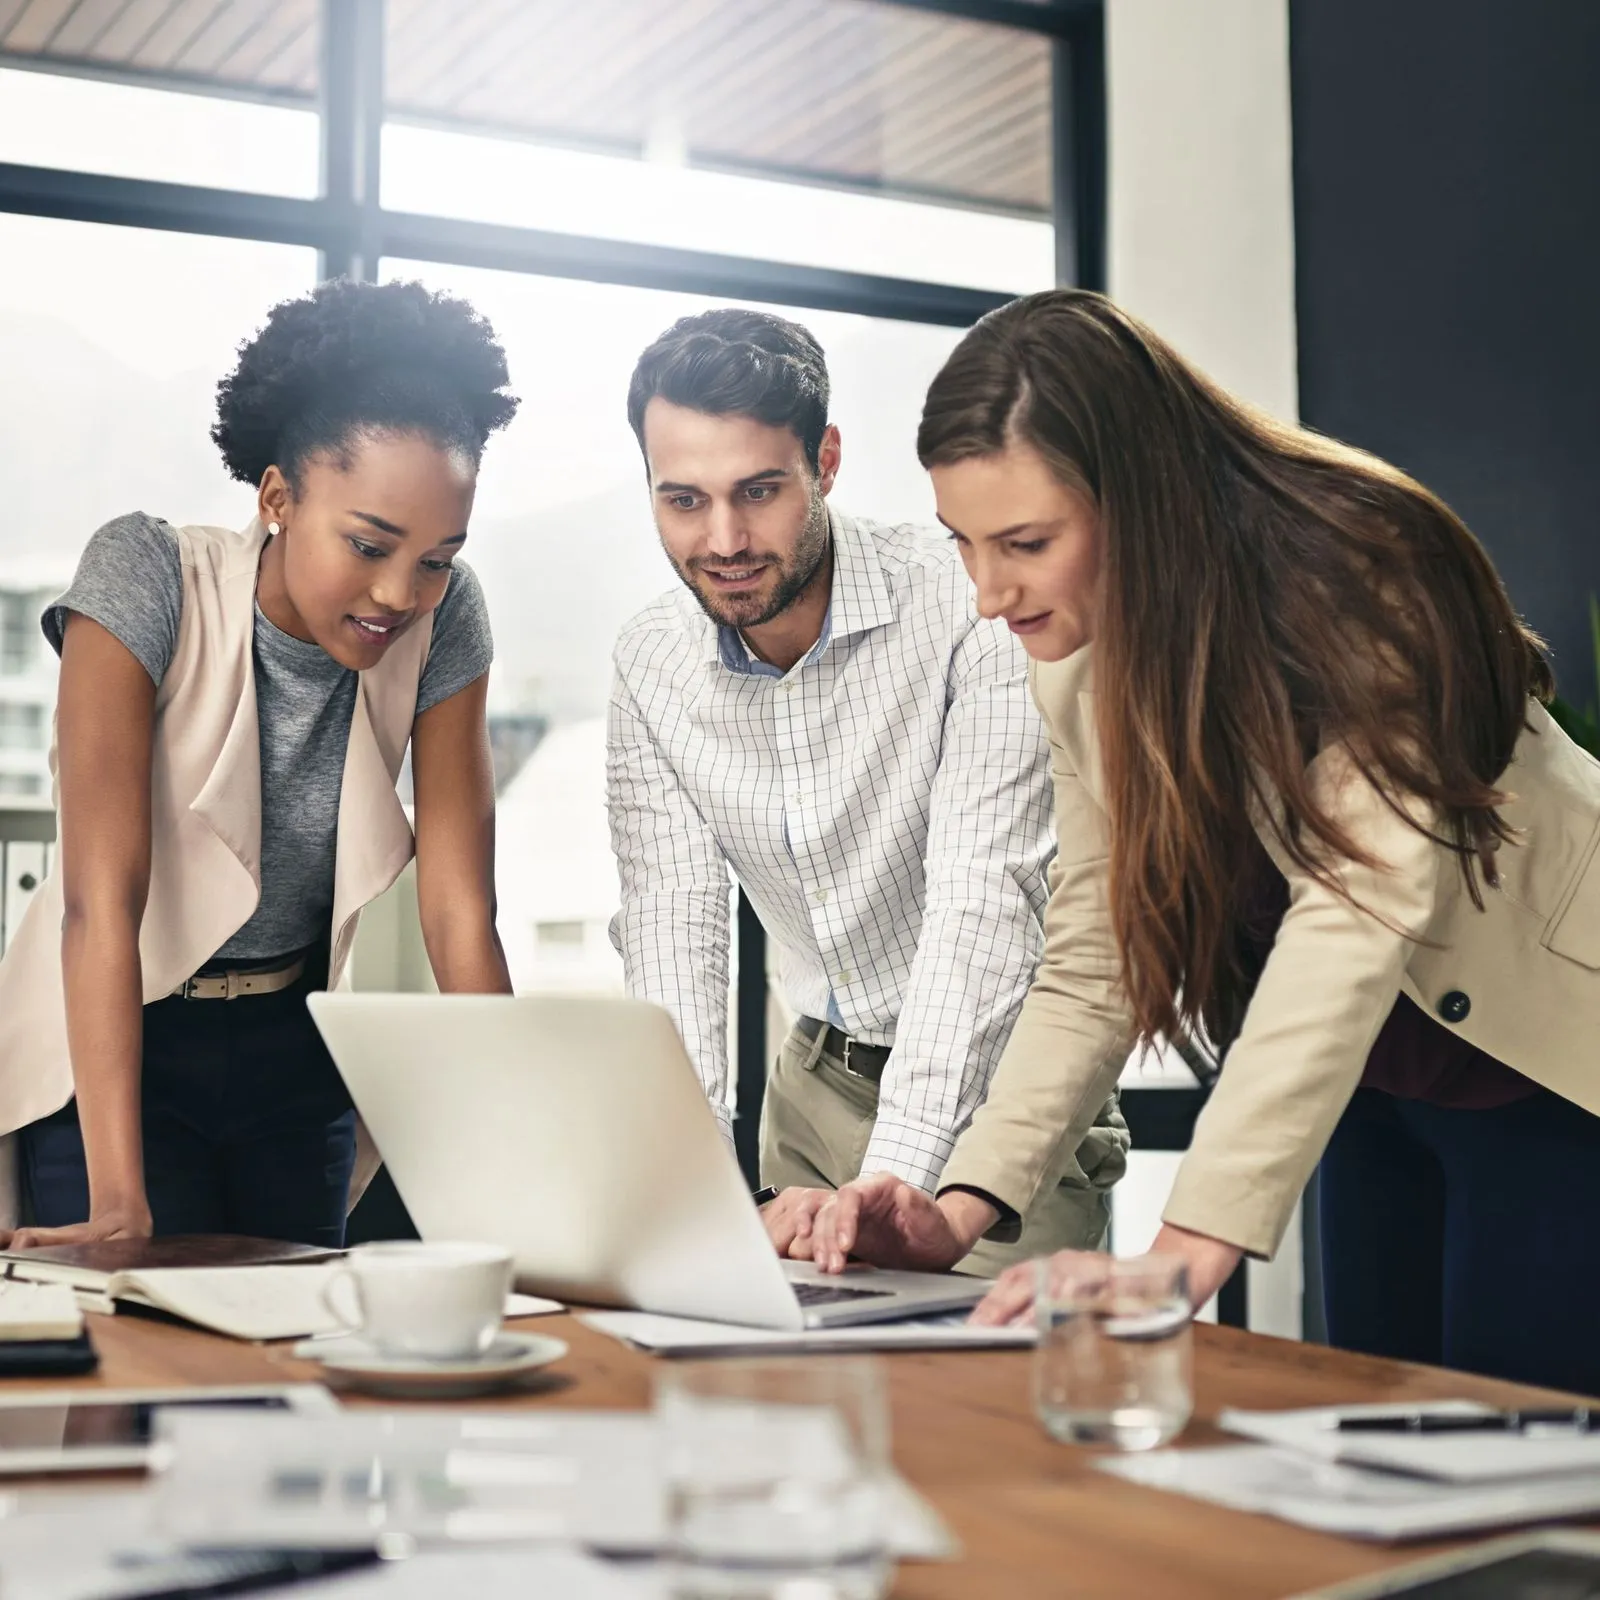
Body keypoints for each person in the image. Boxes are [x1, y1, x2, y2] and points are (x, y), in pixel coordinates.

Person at [806, 288, 1600, 1394]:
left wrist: (1181, 1253)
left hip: (1555, 1061)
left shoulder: (1369, 566)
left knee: (1542, 1470)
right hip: (1380, 1076)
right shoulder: (1078, 653)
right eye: (964, 546)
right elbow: (1093, 947)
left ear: (1138, 495)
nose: (987, 596)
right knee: (1382, 1440)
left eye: (1026, 542)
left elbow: (1358, 899)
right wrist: (959, 1206)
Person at [0, 278, 519, 1249]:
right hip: (121, 1039)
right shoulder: (147, 574)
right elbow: (97, 902)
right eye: (369, 543)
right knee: (131, 1376)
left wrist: (523, 1165)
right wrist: (119, 1199)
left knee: (289, 1368)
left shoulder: (448, 618)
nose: (400, 592)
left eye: (437, 556)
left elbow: (459, 915)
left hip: (294, 1048)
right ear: (277, 496)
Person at [607, 308, 1126, 1274]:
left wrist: (890, 1184)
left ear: (826, 461)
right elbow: (674, 933)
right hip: (810, 1091)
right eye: (683, 500)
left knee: (991, 1411)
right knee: (800, 1406)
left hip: (999, 1105)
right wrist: (693, 1190)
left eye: (758, 491)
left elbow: (985, 910)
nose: (723, 538)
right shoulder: (650, 662)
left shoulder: (970, 606)